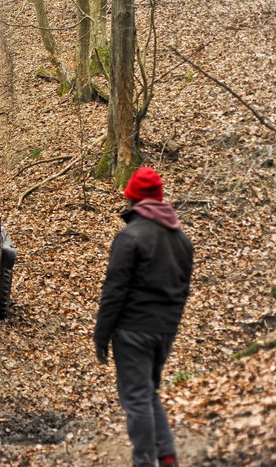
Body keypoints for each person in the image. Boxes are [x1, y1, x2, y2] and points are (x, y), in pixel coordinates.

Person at [94, 167, 194, 467]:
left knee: (136, 398)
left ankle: (144, 461)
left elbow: (114, 291)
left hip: (132, 331)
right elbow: (182, 290)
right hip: (163, 332)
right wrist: (169, 328)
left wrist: (101, 335)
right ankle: (166, 457)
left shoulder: (130, 237)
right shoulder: (182, 240)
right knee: (147, 393)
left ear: (134, 200)